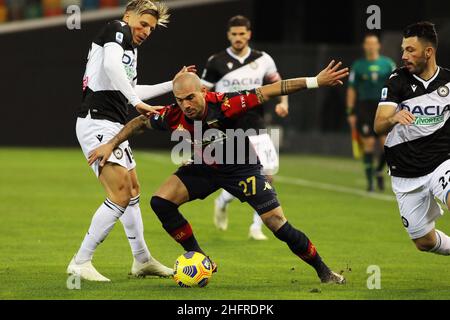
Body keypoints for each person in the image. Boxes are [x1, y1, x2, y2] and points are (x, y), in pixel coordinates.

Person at [88, 60, 349, 284]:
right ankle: (201, 259)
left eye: (191, 97)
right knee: (161, 202)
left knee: (275, 223)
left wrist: (316, 81)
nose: (186, 105)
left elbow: (273, 89)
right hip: (205, 168)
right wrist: (111, 144)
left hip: (241, 167)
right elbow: (141, 121)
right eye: (180, 100)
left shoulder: (227, 104)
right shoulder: (174, 115)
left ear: (202, 90)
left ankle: (324, 272)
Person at [67, 0, 193, 281]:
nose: (147, 31)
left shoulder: (129, 50)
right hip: (96, 120)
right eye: (144, 23)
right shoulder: (117, 29)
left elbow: (131, 87)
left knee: (133, 190)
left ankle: (142, 259)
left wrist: (172, 85)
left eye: (151, 28)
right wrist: (135, 102)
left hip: (112, 123)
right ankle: (80, 261)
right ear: (127, 15)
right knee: (121, 192)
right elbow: (113, 68)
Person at [201, 15, 289, 240]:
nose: (238, 38)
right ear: (228, 35)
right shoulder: (216, 62)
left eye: (242, 34)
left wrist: (283, 103)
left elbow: (278, 83)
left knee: (268, 174)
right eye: (234, 34)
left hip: (256, 125)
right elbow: (202, 95)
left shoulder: (263, 59)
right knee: (236, 177)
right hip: (227, 129)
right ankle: (222, 200)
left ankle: (256, 227)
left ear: (249, 34)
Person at [375, 22, 450, 256]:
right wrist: (394, 118)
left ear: (428, 52)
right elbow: (379, 125)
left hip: (442, 162)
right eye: (403, 49)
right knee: (424, 241)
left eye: (410, 50)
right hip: (406, 172)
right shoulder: (397, 80)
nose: (404, 55)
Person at [347, 33, 396, 192]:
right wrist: (351, 112)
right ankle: (370, 183)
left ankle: (378, 170)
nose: (370, 46)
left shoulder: (388, 64)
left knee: (385, 144)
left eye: (373, 43)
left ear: (378, 45)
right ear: (364, 46)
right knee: (368, 144)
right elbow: (352, 89)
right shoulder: (358, 66)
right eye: (367, 43)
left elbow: (397, 85)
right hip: (364, 108)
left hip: (384, 106)